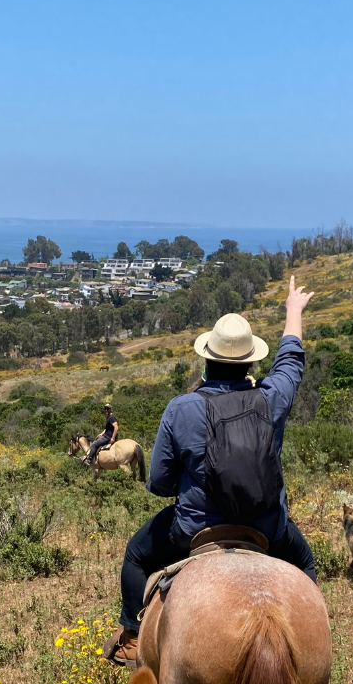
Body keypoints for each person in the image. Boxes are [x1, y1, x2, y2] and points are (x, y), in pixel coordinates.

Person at [104, 277, 316, 664]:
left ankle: (132, 636)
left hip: (194, 531)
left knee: (135, 555)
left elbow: (162, 484)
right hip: (266, 526)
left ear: (207, 359)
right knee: (304, 562)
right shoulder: (272, 399)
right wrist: (293, 311)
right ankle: (310, 650)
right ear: (252, 361)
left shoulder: (181, 408)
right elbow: (291, 360)